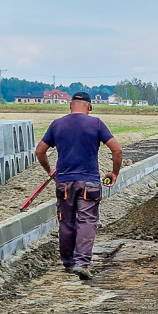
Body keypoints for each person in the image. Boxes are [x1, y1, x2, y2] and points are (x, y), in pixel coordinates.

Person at [34, 92, 122, 280]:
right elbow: (117, 149)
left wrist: (50, 171)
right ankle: (82, 263)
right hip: (89, 182)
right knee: (87, 221)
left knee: (66, 221)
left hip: (64, 182)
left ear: (70, 105)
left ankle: (68, 263)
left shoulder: (57, 124)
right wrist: (114, 172)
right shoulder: (96, 123)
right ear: (89, 106)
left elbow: (40, 151)